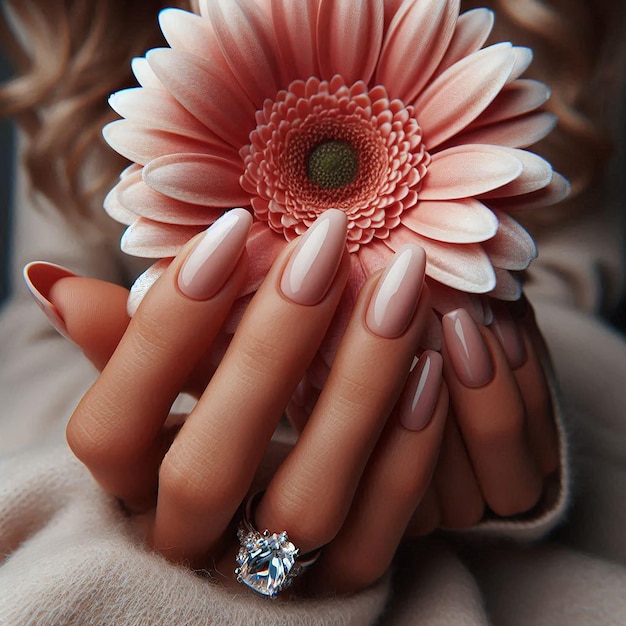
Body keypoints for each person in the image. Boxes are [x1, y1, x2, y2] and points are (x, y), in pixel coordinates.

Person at [1, 0, 625, 624]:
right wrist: (159, 433)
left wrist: (521, 390)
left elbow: (557, 283)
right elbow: (33, 333)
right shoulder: (74, 30)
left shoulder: (565, 25)